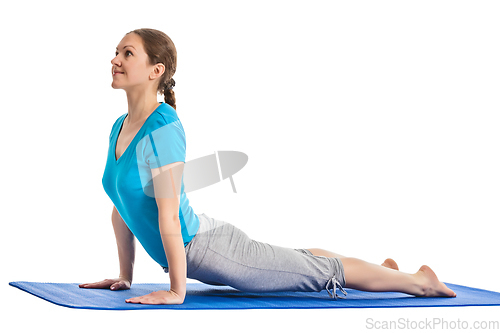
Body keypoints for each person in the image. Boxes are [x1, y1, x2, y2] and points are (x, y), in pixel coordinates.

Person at [79, 28, 456, 305]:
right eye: (116, 52)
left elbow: (168, 218)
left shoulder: (163, 128)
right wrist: (125, 277)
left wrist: (178, 291)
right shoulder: (121, 126)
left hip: (209, 250)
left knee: (315, 275)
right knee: (300, 260)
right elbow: (121, 209)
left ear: (154, 70)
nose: (114, 59)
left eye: (127, 53)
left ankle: (420, 282)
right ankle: (382, 270)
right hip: (203, 245)